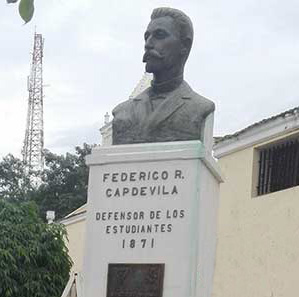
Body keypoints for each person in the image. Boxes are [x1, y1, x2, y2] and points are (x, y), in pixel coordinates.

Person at [112, 7, 215, 145]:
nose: (148, 44)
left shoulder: (201, 109)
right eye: (146, 37)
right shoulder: (122, 113)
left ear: (184, 45)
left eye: (159, 35)